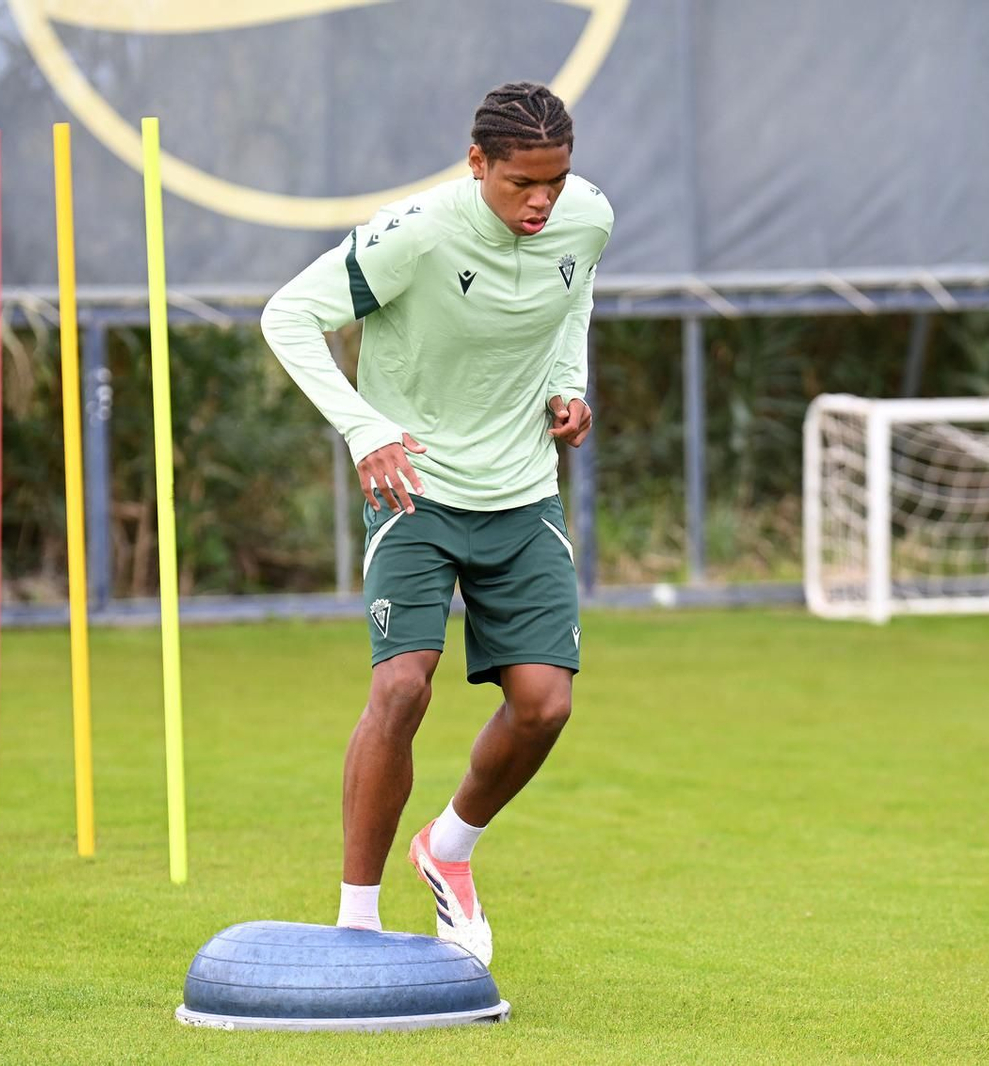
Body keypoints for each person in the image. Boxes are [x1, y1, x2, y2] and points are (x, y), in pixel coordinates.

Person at [259, 81, 613, 964]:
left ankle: (448, 849)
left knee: (545, 706)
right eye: (520, 183)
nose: (541, 201)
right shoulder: (414, 233)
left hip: (522, 492)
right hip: (413, 487)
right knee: (401, 688)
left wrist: (568, 386)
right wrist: (364, 428)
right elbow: (289, 316)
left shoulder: (587, 219)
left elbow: (572, 306)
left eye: (556, 182)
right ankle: (356, 922)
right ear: (476, 163)